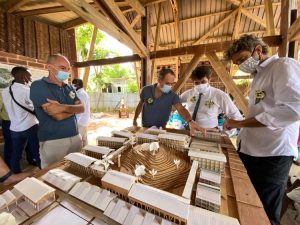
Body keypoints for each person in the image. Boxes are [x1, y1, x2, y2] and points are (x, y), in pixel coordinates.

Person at [223, 34, 300, 225]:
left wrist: (239, 124)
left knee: (264, 211)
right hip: (252, 151)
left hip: (272, 154)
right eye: (237, 62)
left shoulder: (282, 66)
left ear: (258, 50)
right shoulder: (258, 75)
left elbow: (293, 108)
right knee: (247, 201)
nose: (241, 65)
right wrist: (239, 126)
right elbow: (261, 112)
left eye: (242, 59)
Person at [30, 54, 84, 168]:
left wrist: (62, 107)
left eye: (68, 69)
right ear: (49, 67)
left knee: (75, 171)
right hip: (54, 141)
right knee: (53, 176)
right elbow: (57, 116)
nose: (66, 72)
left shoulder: (68, 87)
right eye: (62, 68)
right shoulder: (38, 85)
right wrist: (73, 109)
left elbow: (82, 108)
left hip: (75, 137)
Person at [132, 68, 205, 135]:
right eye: (167, 83)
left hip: (161, 129)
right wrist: (135, 119)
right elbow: (140, 104)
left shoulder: (172, 96)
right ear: (159, 80)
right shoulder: (146, 90)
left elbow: (180, 109)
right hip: (145, 127)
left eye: (171, 84)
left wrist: (190, 121)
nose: (170, 86)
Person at [180, 66, 243, 134]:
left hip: (209, 132)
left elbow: (236, 115)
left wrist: (227, 133)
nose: (200, 85)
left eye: (203, 81)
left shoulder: (219, 95)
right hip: (190, 130)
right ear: (193, 82)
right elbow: (175, 101)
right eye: (197, 83)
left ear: (209, 80)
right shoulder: (188, 94)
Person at [2, 67, 40, 173]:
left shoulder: (5, 91)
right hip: (30, 126)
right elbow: (38, 107)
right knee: (37, 152)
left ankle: (16, 174)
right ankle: (42, 172)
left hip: (14, 128)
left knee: (16, 154)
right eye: (30, 75)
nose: (31, 78)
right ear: (24, 76)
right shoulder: (27, 91)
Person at [72, 78, 90, 146]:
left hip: (80, 121)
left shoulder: (80, 95)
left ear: (78, 85)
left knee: (78, 140)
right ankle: (88, 153)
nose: (72, 86)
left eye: (73, 85)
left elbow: (80, 110)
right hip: (84, 120)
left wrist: (76, 122)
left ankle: (78, 155)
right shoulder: (83, 93)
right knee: (84, 139)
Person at [0, 93, 12, 165]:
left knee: (28, 142)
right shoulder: (3, 94)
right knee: (10, 143)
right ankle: (8, 163)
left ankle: (31, 158)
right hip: (8, 122)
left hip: (22, 121)